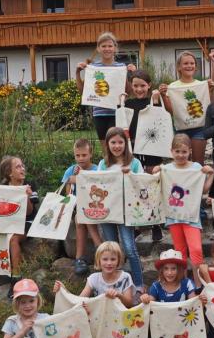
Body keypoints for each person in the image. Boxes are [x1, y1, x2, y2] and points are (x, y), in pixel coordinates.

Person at [151, 134, 214, 286]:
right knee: (180, 252)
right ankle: (184, 284)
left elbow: (203, 189)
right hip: (174, 217)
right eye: (177, 151)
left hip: (191, 217)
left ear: (190, 152)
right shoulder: (166, 169)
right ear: (171, 152)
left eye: (184, 152)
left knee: (196, 250)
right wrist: (155, 172)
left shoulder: (196, 168)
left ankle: (198, 285)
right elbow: (154, 186)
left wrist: (211, 174)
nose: (180, 155)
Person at [96, 127, 145, 296]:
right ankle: (115, 284)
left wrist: (131, 174)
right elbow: (95, 185)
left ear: (126, 143)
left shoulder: (135, 163)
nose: (117, 146)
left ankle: (138, 284)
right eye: (113, 142)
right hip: (108, 212)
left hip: (126, 211)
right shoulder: (103, 164)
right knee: (112, 249)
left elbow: (143, 184)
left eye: (120, 142)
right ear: (107, 144)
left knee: (130, 248)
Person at [120, 70, 164, 242]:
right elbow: (122, 123)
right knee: (135, 184)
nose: (139, 89)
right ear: (131, 86)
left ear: (149, 85)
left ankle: (156, 224)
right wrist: (121, 102)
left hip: (152, 148)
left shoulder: (153, 101)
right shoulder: (128, 103)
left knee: (152, 184)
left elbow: (161, 119)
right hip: (134, 149)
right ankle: (136, 225)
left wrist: (155, 100)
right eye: (136, 86)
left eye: (142, 86)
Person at [75, 32, 136, 143]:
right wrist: (78, 73)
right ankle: (106, 161)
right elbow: (83, 92)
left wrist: (132, 75)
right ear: (98, 48)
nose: (107, 49)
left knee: (116, 145)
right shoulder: (93, 68)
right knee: (105, 147)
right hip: (99, 114)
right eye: (103, 46)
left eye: (110, 46)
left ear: (115, 48)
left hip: (116, 113)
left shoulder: (121, 67)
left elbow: (128, 91)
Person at [158, 51, 210, 165]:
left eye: (192, 63)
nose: (189, 65)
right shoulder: (172, 87)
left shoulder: (201, 85)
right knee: (182, 162)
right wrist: (163, 95)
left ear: (196, 67)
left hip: (200, 128)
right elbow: (171, 111)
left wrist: (210, 87)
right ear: (179, 67)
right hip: (181, 129)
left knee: (198, 163)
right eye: (185, 63)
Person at [61, 138, 103, 275]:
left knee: (81, 218)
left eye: (84, 155)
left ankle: (80, 258)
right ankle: (100, 249)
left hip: (96, 206)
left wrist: (80, 179)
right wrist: (72, 179)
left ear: (90, 154)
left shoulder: (97, 169)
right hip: (77, 207)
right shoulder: (71, 170)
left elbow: (100, 189)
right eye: (77, 155)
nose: (80, 158)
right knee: (80, 215)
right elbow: (68, 195)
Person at [0, 156, 39, 289]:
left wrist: (27, 195)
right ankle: (2, 271)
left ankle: (16, 278)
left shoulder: (30, 185)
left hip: (28, 222)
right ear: (10, 173)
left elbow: (28, 212)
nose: (22, 168)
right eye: (18, 167)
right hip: (10, 222)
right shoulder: (3, 188)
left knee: (13, 239)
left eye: (22, 165)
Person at [53, 241, 135, 307]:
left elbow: (129, 304)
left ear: (118, 260)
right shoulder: (93, 278)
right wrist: (64, 291)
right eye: (105, 259)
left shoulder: (125, 277)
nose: (109, 263)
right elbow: (79, 300)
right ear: (98, 261)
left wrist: (118, 295)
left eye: (113, 259)